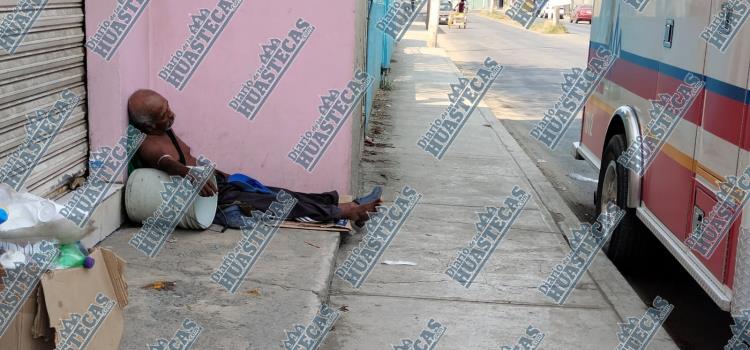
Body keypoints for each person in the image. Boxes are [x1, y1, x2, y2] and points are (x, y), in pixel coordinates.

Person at [126, 89, 382, 225]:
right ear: (148, 126)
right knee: (278, 204)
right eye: (163, 114)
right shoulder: (149, 144)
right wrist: (190, 174)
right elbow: (167, 163)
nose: (170, 115)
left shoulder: (164, 129)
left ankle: (339, 202)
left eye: (168, 107)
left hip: (217, 185)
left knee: (280, 193)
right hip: (208, 201)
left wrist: (217, 173)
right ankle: (344, 211)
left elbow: (188, 158)